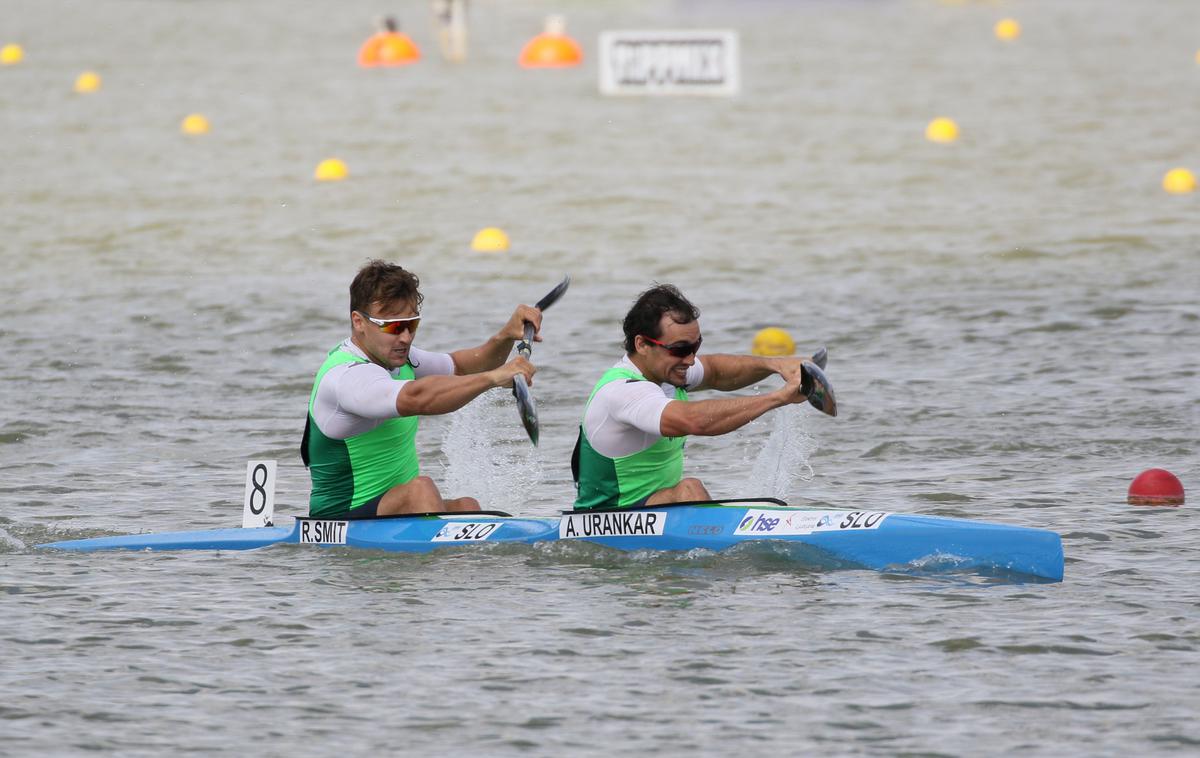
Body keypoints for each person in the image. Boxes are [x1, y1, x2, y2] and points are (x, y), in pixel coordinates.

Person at [303, 260, 539, 518]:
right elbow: (417, 398)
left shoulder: (396, 358)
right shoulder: (346, 377)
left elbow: (464, 366)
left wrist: (506, 335)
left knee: (467, 507)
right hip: (340, 517)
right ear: (359, 322)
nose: (405, 337)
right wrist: (493, 378)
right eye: (393, 326)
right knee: (421, 490)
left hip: (392, 509)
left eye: (411, 324)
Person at [572, 284, 831, 511]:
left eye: (695, 346)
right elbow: (695, 421)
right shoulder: (623, 390)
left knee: (689, 493)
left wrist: (777, 365)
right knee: (689, 490)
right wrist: (779, 397)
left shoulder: (667, 369)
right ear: (642, 344)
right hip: (607, 521)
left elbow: (717, 371)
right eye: (681, 349)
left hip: (652, 510)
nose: (691, 358)